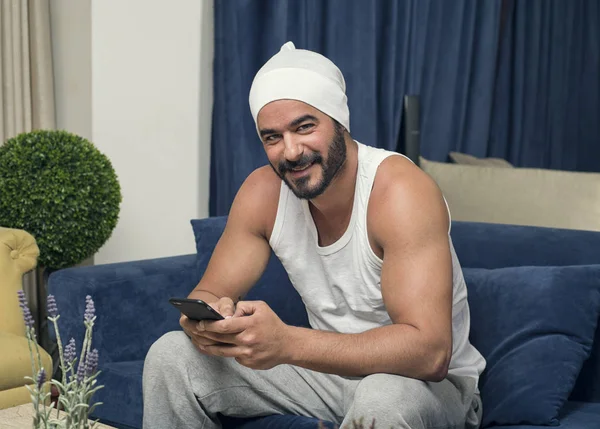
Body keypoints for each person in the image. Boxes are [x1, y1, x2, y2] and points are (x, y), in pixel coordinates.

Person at [142, 41, 486, 429]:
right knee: (171, 355)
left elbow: (430, 354)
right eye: (272, 137)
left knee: (383, 398)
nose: (290, 152)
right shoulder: (262, 193)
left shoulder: (400, 192)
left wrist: (288, 343)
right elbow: (209, 292)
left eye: (304, 127)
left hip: (420, 387)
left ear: (340, 122)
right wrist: (207, 323)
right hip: (326, 375)